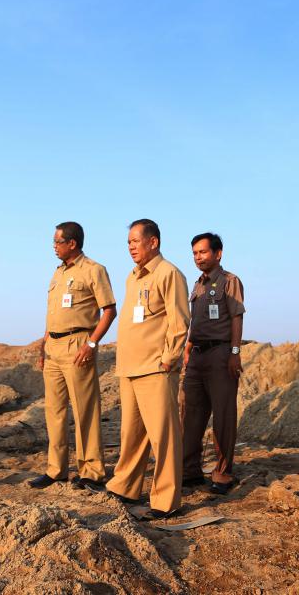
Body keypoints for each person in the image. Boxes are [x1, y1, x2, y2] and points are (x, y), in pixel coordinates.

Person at [106, 219, 190, 520]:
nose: (130, 247)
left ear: (153, 242)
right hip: (130, 367)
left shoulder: (169, 274)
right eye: (128, 242)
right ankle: (126, 485)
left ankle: (166, 501)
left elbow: (179, 321)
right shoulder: (132, 277)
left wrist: (169, 359)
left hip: (156, 368)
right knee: (132, 433)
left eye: (135, 241)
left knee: (163, 436)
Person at [29, 222, 117, 491]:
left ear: (72, 244)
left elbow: (110, 310)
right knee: (54, 412)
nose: (53, 246)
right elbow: (53, 314)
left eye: (57, 242)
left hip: (78, 343)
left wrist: (90, 344)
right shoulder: (57, 274)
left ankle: (91, 470)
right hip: (53, 347)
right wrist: (44, 346)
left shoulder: (94, 270)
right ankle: (56, 469)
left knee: (84, 410)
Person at [180, 233, 245, 495]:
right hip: (196, 355)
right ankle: (190, 471)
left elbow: (236, 317)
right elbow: (194, 321)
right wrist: (187, 348)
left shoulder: (230, 281)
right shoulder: (197, 286)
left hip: (220, 354)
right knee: (191, 415)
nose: (198, 257)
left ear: (218, 254)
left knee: (223, 416)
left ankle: (223, 473)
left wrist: (235, 352)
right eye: (195, 253)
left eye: (203, 252)